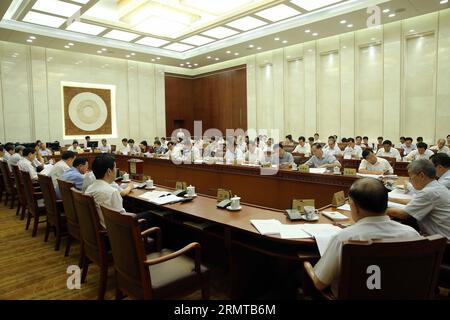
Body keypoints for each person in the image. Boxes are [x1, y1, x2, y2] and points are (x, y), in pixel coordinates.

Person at [311, 178, 419, 297]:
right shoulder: (412, 234)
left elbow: (320, 283)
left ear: (355, 207)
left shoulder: (344, 238)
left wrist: (308, 267)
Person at [387, 160, 450, 239]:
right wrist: (391, 199)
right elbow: (414, 202)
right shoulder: (436, 187)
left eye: (411, 177)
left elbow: (403, 214)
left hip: (443, 242)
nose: (410, 180)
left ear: (422, 176)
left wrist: (377, 209)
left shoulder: (429, 192)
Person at [85, 155, 151, 229]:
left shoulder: (89, 189)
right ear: (109, 171)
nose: (116, 170)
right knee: (151, 215)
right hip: (116, 232)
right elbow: (122, 220)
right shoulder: (112, 192)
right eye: (115, 168)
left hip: (99, 228)